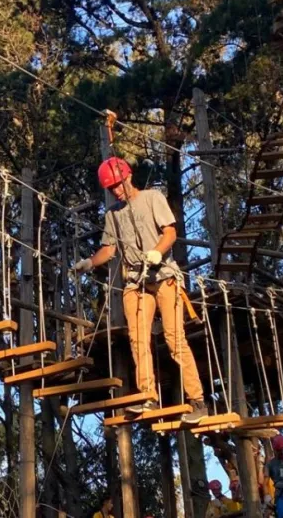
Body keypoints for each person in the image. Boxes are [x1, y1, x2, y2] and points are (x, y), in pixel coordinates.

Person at [73, 157, 206, 421]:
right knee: (138, 339)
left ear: (128, 177)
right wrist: (89, 262)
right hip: (137, 281)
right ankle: (148, 397)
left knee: (173, 338)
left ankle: (199, 401)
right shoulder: (113, 215)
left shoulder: (152, 198)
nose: (117, 191)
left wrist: (156, 252)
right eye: (111, 189)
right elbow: (109, 249)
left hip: (164, 276)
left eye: (118, 185)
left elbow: (169, 232)